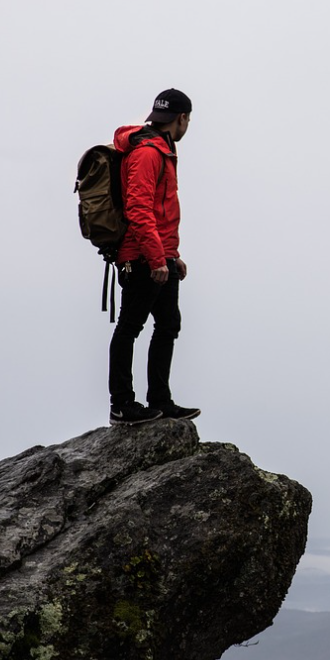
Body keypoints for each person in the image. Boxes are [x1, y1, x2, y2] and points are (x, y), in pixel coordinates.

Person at [107, 88, 201, 425]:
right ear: (182, 118)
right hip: (141, 257)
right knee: (130, 327)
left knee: (168, 325)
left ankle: (160, 401)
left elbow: (160, 212)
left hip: (160, 255)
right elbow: (138, 208)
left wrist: (171, 256)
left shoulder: (163, 150)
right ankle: (122, 405)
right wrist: (156, 258)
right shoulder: (148, 152)